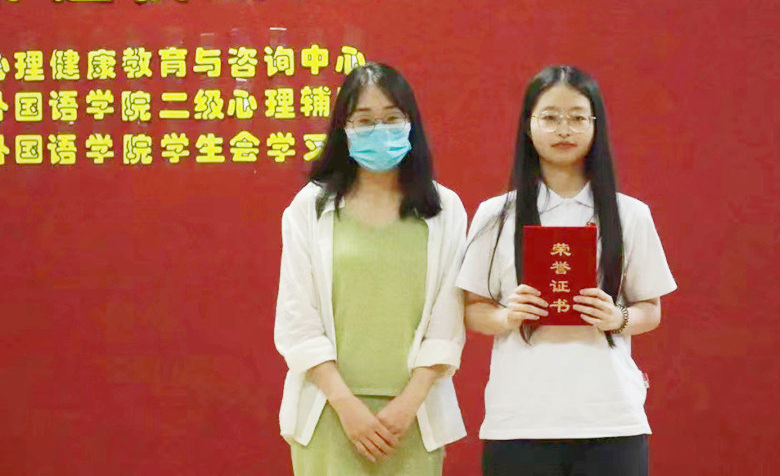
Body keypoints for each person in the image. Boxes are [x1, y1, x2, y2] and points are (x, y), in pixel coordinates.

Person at [456, 65, 677, 476]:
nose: (564, 129)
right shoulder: (495, 215)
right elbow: (472, 309)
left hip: (611, 420)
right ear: (528, 125)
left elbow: (651, 309)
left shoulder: (630, 214)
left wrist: (617, 317)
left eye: (577, 117)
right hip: (519, 420)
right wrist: (507, 316)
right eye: (550, 117)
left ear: (596, 126)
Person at [274, 63, 467, 476]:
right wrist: (346, 405)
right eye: (364, 120)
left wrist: (407, 404)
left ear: (411, 124)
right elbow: (297, 317)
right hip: (329, 412)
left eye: (392, 118)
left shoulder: (445, 209)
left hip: (413, 418)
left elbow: (447, 320)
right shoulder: (309, 207)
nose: (379, 130)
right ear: (343, 129)